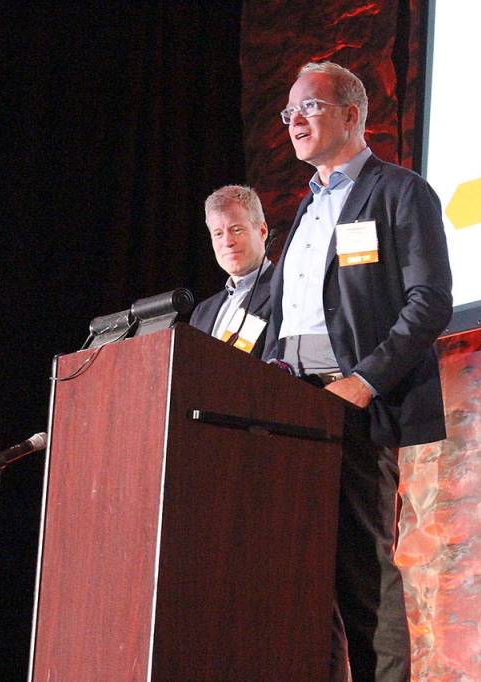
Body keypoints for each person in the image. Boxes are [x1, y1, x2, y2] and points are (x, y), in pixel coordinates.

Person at [262, 61, 452, 682]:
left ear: (351, 113)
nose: (294, 121)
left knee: (363, 581)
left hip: (352, 408)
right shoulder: (305, 211)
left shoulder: (399, 192)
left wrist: (363, 382)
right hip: (284, 409)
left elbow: (429, 303)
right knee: (290, 578)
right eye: (289, 111)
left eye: (309, 107)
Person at [189, 185, 273, 356]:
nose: (227, 242)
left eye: (236, 230)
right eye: (218, 234)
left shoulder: (286, 291)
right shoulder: (202, 312)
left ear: (262, 231)